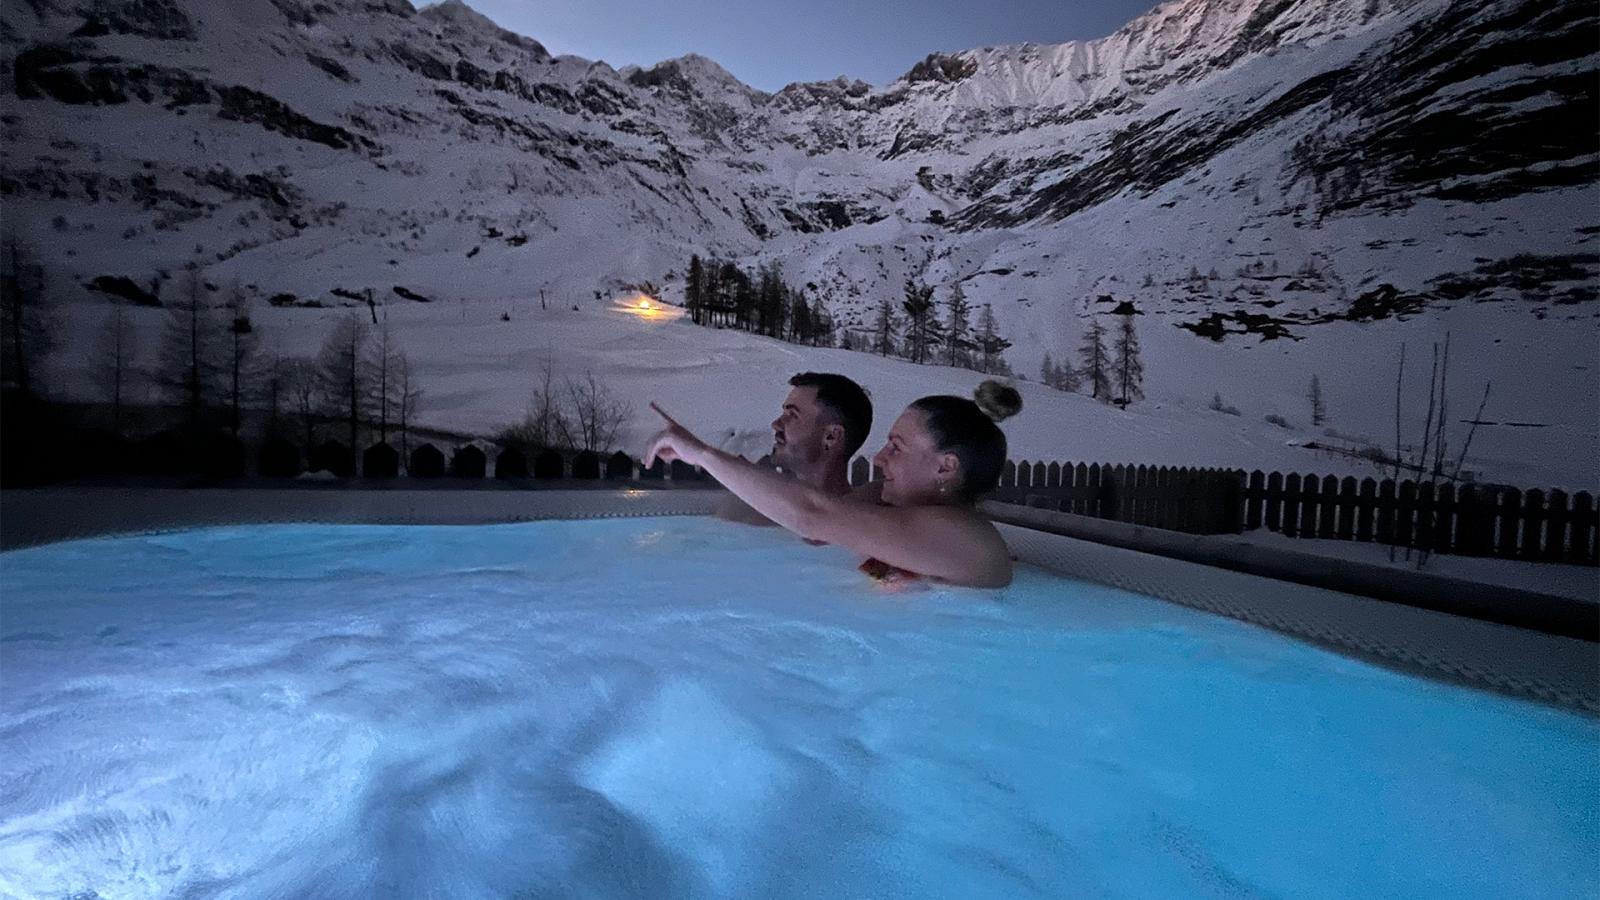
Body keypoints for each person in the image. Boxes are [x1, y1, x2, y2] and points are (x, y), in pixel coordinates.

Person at [648, 380, 1022, 588]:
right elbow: (817, 530)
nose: (878, 458)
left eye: (896, 447)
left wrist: (702, 455)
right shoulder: (887, 504)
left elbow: (814, 516)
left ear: (946, 467)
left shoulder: (970, 540)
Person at [717, 372, 873, 525]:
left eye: (792, 415)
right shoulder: (750, 511)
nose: (776, 424)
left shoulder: (867, 526)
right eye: (783, 412)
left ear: (831, 437)